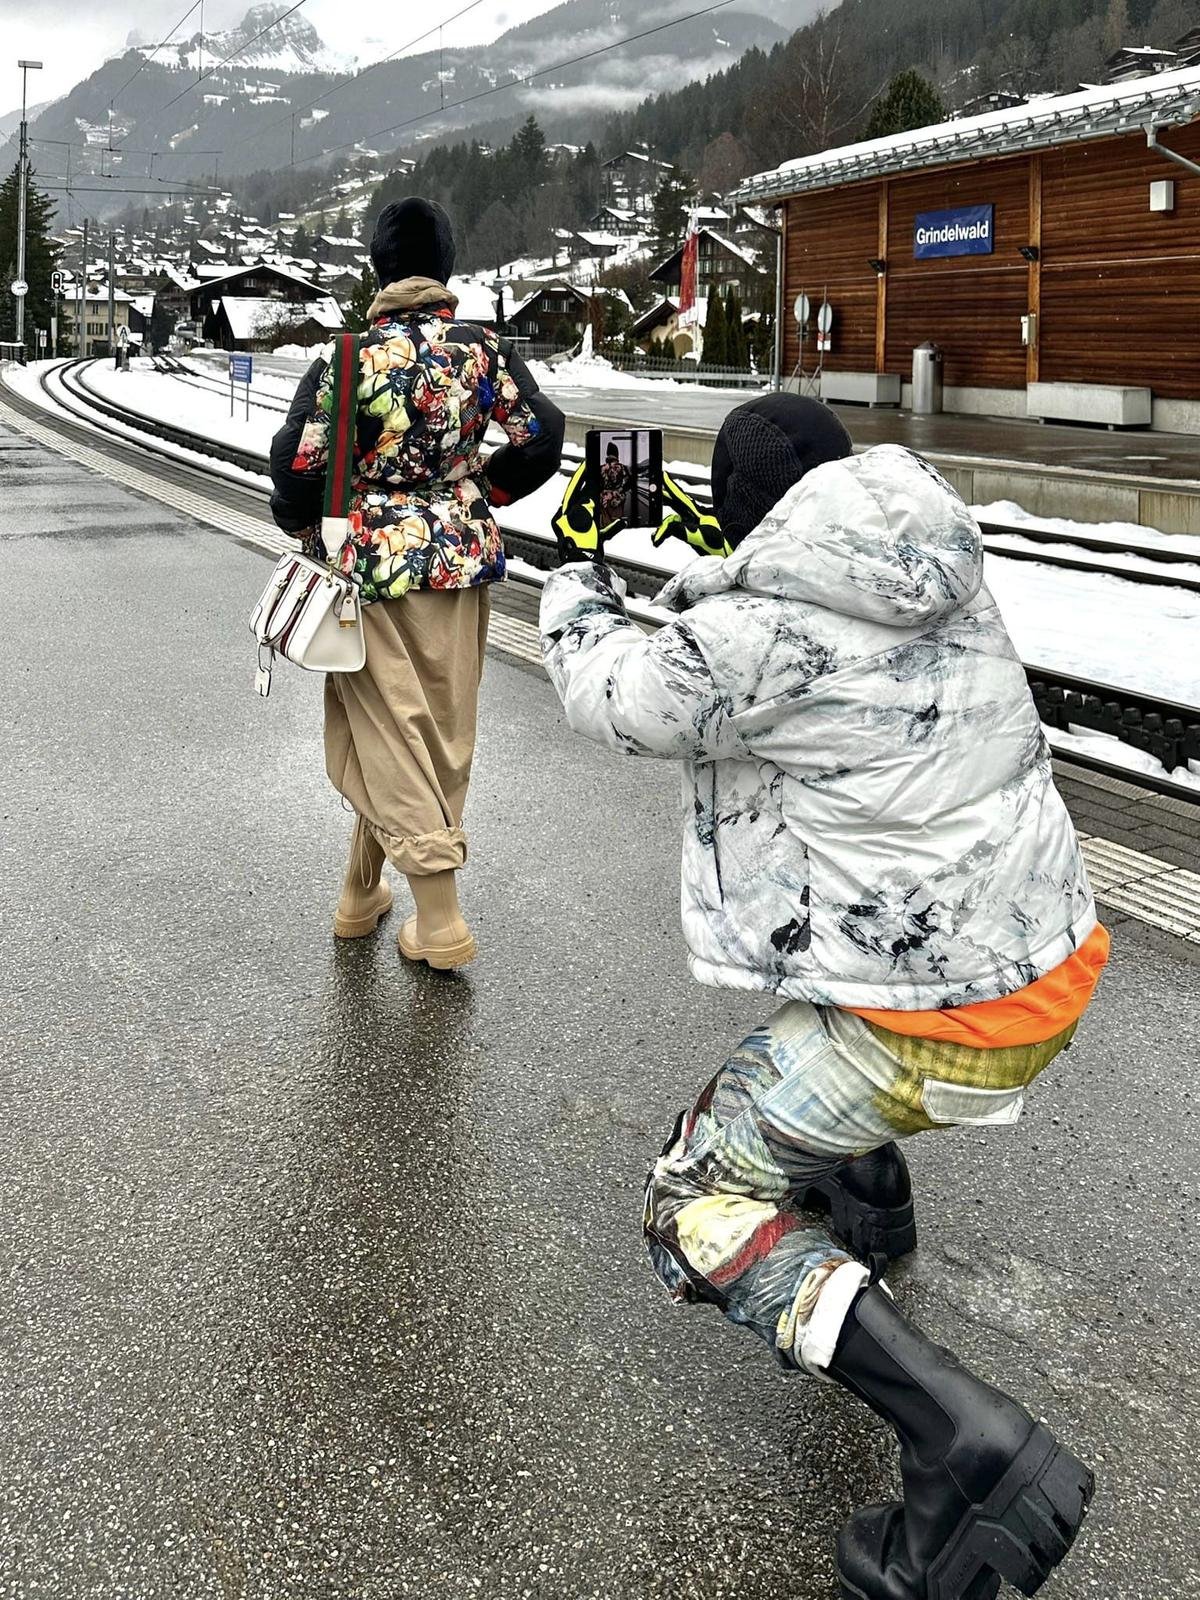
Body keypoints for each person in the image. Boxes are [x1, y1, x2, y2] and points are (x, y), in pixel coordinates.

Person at [540, 394, 1106, 1599]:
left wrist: (571, 588)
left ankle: (965, 1447)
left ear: (748, 518)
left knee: (692, 1195)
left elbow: (617, 695)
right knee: (814, 996)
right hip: (1050, 959)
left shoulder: (749, 638)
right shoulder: (933, 560)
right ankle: (868, 1203)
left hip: (937, 1018)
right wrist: (722, 587)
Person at [269, 198, 565, 968]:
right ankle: (360, 891)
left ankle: (438, 920)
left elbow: (296, 465)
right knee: (433, 732)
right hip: (462, 567)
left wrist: (304, 529)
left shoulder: (346, 356)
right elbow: (545, 434)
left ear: (378, 267)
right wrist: (482, 494)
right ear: (447, 268)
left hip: (370, 571)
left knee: (389, 730)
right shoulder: (483, 352)